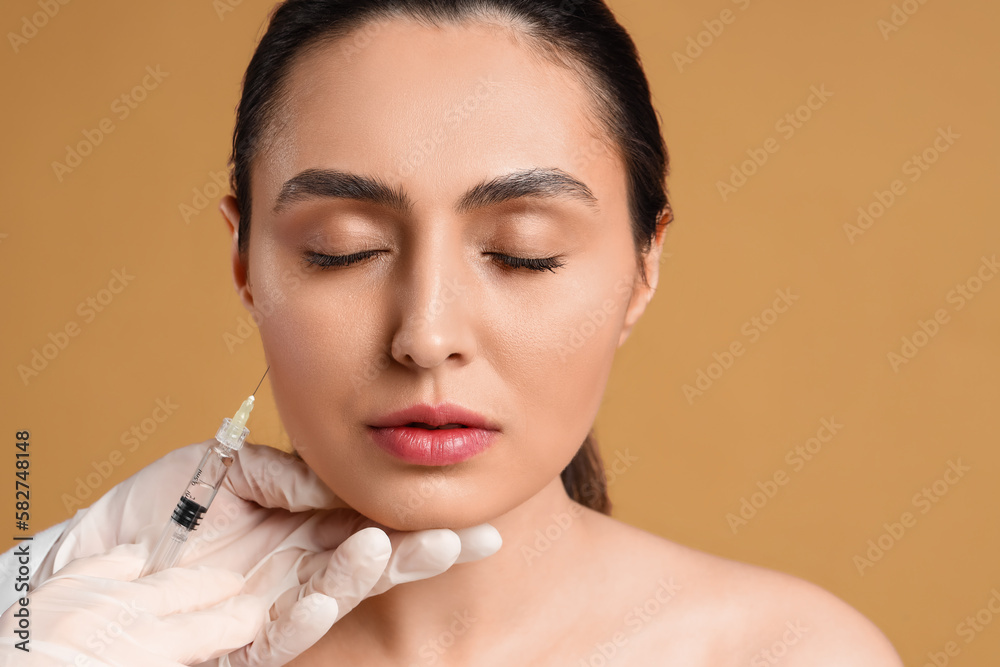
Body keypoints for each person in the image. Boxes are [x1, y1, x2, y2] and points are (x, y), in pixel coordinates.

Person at [1, 0, 905, 664]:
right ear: (245, 261)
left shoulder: (792, 653)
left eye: (523, 252)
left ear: (643, 265)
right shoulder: (106, 635)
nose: (425, 337)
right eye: (340, 250)